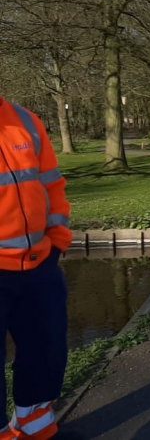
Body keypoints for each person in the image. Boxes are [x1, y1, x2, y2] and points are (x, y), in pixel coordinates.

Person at [0, 97, 71, 440]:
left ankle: (36, 428)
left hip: (39, 263)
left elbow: (51, 184)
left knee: (47, 349)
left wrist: (57, 241)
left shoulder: (25, 120)